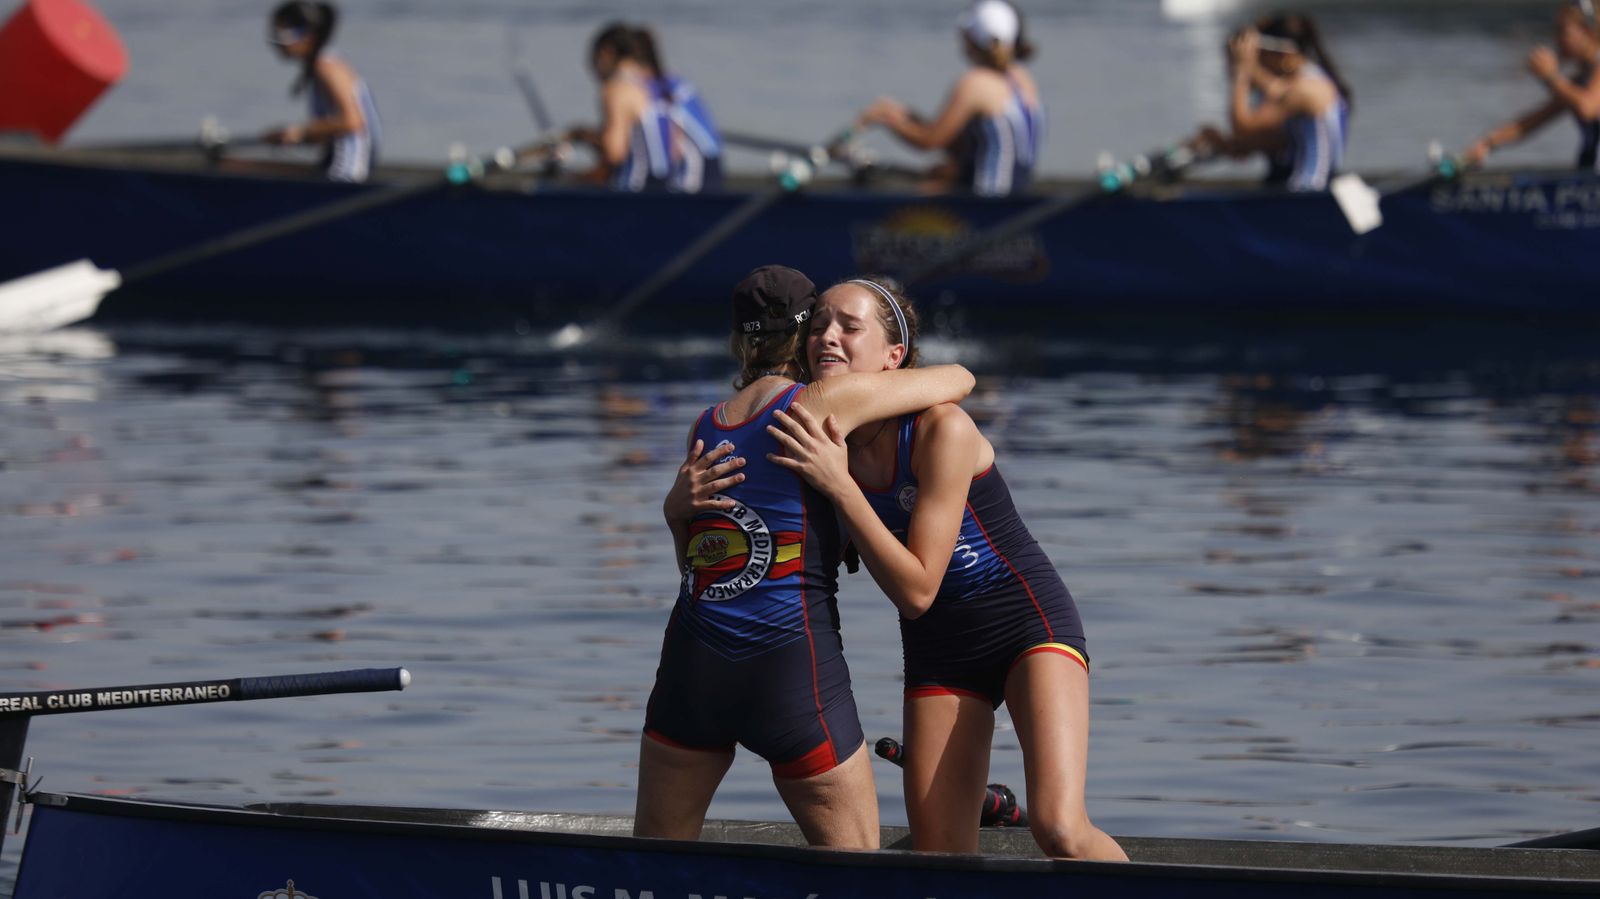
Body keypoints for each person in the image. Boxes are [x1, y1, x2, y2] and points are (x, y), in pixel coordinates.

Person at [762, 278, 1127, 860]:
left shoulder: (941, 429)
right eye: (820, 324)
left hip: (1025, 625)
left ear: (894, 357)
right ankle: (989, 807)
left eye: (849, 326)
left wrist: (840, 488)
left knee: (1059, 828)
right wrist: (682, 511)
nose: (828, 336)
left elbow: (917, 590)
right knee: (940, 858)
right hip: (939, 650)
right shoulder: (822, 441)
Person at [637, 266, 975, 848]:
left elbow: (702, 571)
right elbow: (958, 379)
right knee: (856, 868)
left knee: (654, 862)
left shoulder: (705, 426)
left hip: (690, 670)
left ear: (738, 341)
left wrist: (675, 515)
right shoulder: (822, 401)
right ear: (805, 336)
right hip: (789, 668)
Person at [854, 0, 1044, 196]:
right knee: (938, 173)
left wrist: (887, 119)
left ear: (971, 38)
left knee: (893, 186)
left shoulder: (976, 82)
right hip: (1017, 194)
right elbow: (957, 143)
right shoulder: (1022, 79)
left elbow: (929, 141)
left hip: (988, 201)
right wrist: (909, 117)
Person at [1187, 12, 1352, 192]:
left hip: (1308, 193)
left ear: (1283, 55)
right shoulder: (1303, 84)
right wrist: (1221, 143)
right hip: (1294, 188)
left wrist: (1242, 72)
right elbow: (1262, 142)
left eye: (1257, 54)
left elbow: (1243, 129)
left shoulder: (1306, 90)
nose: (1254, 60)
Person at [566, 23, 723, 193]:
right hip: (708, 179)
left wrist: (581, 142)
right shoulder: (670, 81)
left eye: (592, 59)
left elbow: (614, 154)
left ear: (606, 53)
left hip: (660, 187)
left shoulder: (619, 88)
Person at [1463, 2, 1600, 170]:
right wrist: (1486, 143)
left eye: (1562, 31)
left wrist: (1550, 77)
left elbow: (1587, 108)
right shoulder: (1580, 81)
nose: (1556, 39)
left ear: (1588, 32)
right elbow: (1530, 123)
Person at [262, 1, 381, 183]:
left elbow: (353, 121)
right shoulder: (320, 65)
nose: (276, 43)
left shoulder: (326, 67)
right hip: (337, 161)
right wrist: (294, 136)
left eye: (282, 35)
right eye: (274, 35)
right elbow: (331, 130)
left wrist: (301, 131)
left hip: (348, 170)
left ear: (308, 36)